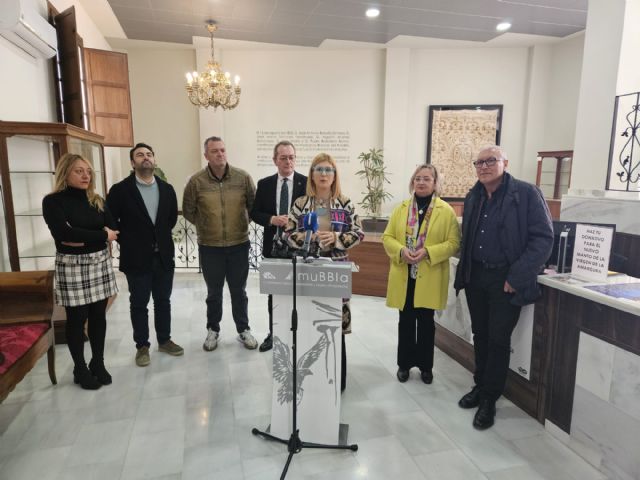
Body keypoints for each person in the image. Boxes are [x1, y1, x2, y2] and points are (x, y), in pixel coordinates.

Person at [454, 145, 553, 430]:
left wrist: (518, 275)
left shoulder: (525, 194)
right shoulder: (473, 196)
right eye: (479, 162)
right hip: (477, 277)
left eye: (490, 161)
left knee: (498, 339)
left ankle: (489, 399)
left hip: (506, 280)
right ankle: (480, 385)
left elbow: (543, 238)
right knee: (480, 335)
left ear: (505, 163)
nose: (484, 166)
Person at [285, 152, 364, 392]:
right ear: (311, 174)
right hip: (308, 269)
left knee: (334, 325)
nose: (323, 174)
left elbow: (359, 232)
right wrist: (311, 238)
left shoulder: (345, 203)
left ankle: (336, 381)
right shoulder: (301, 203)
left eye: (328, 170)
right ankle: (309, 379)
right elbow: (288, 233)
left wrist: (337, 237)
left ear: (334, 175)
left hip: (336, 270)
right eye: (318, 169)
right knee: (310, 321)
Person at [42, 153, 119, 390]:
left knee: (99, 316)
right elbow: (64, 235)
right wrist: (101, 235)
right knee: (76, 319)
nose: (86, 175)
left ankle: (98, 362)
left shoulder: (96, 199)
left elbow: (113, 228)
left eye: (88, 171)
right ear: (65, 172)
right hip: (72, 266)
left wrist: (86, 236)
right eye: (79, 171)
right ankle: (80, 367)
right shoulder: (53, 201)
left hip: (99, 262)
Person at [106, 142, 183, 368]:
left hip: (162, 257)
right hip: (136, 258)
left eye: (149, 154)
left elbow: (170, 220)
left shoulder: (166, 189)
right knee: (139, 303)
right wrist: (129, 240)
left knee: (163, 301)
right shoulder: (120, 190)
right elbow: (110, 220)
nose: (145, 158)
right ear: (133, 162)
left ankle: (165, 340)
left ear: (154, 160)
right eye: (140, 155)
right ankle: (142, 346)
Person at [383, 164, 460, 385]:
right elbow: (387, 237)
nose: (421, 182)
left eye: (426, 178)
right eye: (417, 178)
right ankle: (404, 365)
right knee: (405, 321)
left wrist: (428, 252)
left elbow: (454, 243)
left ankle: (426, 367)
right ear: (412, 182)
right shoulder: (401, 208)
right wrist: (400, 250)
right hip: (404, 273)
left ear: (435, 183)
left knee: (426, 323)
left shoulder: (446, 211)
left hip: (430, 273)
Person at [183, 136, 258, 351]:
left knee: (239, 291)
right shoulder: (196, 181)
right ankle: (213, 330)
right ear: (206, 155)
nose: (220, 154)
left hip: (238, 244)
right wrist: (205, 225)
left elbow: (253, 206)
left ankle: (243, 329)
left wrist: (240, 224)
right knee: (213, 293)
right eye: (215, 151)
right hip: (210, 247)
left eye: (223, 150)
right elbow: (188, 210)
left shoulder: (242, 177)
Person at [250, 140, 307, 352]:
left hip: (299, 248)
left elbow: (314, 214)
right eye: (283, 157)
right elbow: (255, 213)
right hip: (272, 248)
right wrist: (272, 219)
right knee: (274, 293)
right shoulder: (264, 184)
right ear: (275, 160)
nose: (288, 161)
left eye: (291, 157)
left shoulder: (306, 183)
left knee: (298, 293)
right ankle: (273, 334)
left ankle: (298, 334)